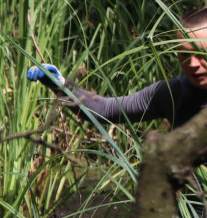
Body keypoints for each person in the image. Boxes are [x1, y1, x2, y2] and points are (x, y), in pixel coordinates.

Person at [27, 8, 207, 128]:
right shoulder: (171, 93)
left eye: (201, 53)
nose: (192, 64)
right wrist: (61, 86)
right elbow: (105, 111)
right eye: (184, 54)